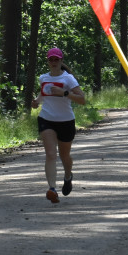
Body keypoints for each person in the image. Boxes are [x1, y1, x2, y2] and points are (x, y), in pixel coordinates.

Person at [31, 47, 85, 204]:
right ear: (48, 62)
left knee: (64, 156)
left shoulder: (68, 79)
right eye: (51, 59)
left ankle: (68, 176)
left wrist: (65, 94)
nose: (54, 62)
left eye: (56, 59)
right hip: (46, 118)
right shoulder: (43, 78)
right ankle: (52, 189)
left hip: (66, 121)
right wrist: (36, 102)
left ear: (61, 61)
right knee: (50, 154)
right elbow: (43, 94)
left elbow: (82, 99)